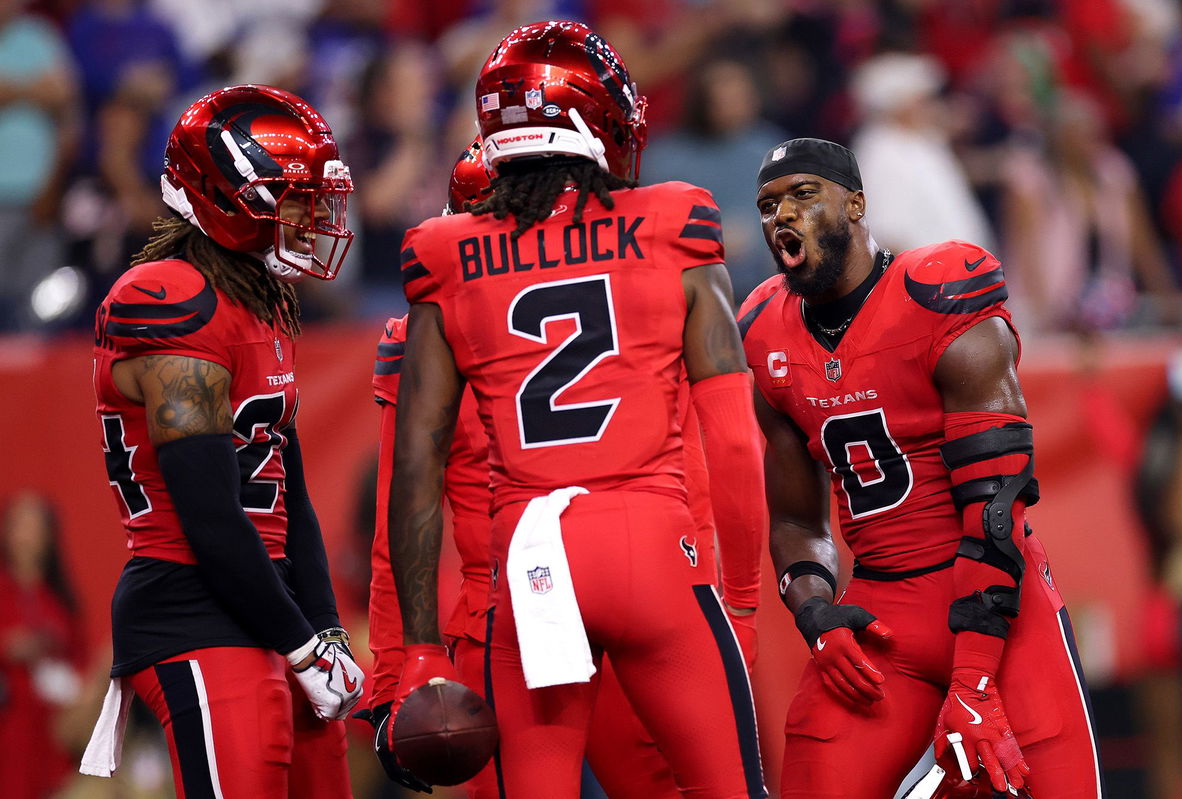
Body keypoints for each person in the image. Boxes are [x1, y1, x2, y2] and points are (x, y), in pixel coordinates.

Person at [385, 20, 767, 799]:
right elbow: (733, 440)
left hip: (529, 566)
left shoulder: (444, 252)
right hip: (656, 548)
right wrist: (748, 601)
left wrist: (419, 647)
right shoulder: (674, 221)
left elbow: (416, 464)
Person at [740, 137, 1104, 798]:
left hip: (999, 602)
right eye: (767, 205)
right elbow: (796, 516)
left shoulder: (938, 291)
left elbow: (998, 503)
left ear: (855, 204)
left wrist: (974, 678)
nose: (781, 216)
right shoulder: (765, 328)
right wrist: (814, 607)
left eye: (802, 194)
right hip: (884, 613)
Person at [82, 84, 364, 799]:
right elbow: (210, 514)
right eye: (291, 195)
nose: (311, 215)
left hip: (263, 599)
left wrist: (324, 627)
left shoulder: (256, 299)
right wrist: (298, 639)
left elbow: (289, 492)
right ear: (231, 197)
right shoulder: (165, 296)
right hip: (193, 606)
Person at [0, 491, 83, 799]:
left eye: (35, 526)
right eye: (19, 524)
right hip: (10, 728)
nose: (26, 536)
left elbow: (79, 660)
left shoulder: (59, 601)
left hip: (53, 735)